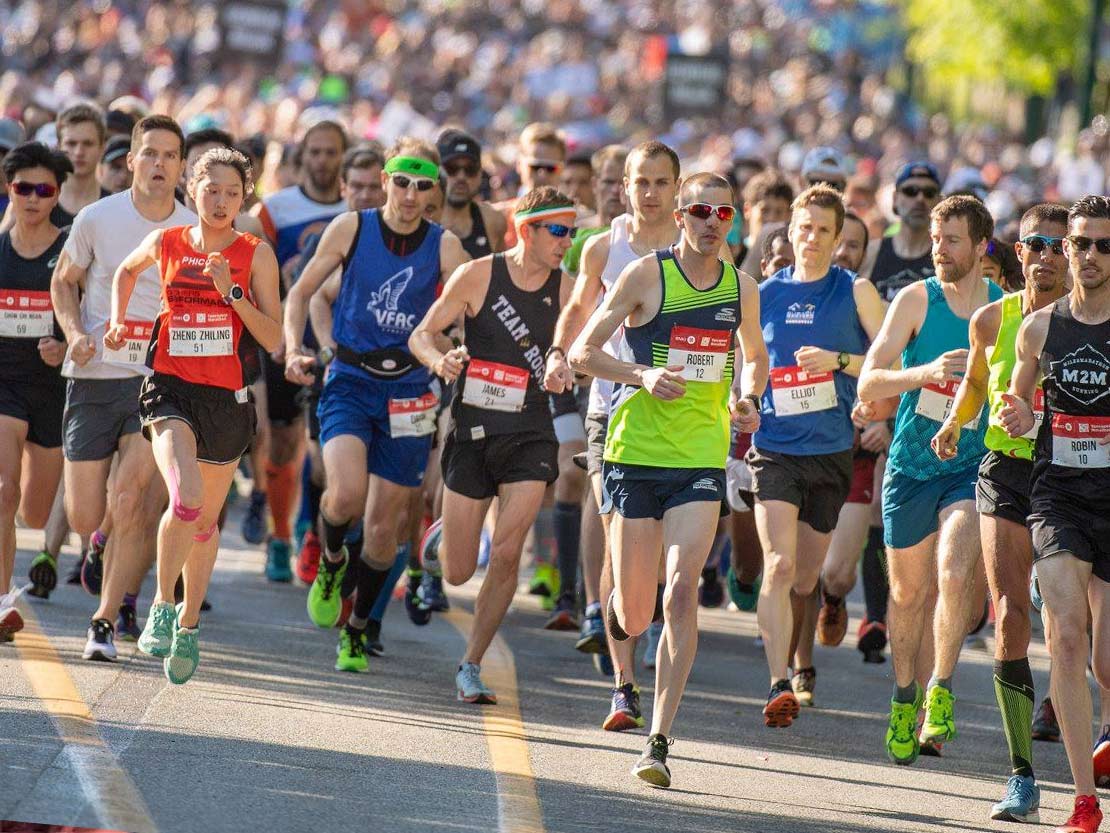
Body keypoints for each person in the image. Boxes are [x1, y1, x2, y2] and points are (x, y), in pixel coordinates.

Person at [569, 172, 768, 787]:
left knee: (682, 590)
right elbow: (582, 352)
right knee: (632, 611)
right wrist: (640, 376)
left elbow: (754, 352)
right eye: (702, 211)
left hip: (699, 458)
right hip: (636, 452)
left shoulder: (741, 288)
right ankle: (622, 638)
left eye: (725, 214)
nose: (713, 222)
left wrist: (747, 392)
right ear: (681, 215)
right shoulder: (646, 276)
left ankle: (658, 739)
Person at [284, 138, 467, 673]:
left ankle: (358, 629)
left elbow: (469, 310)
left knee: (386, 529)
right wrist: (296, 348)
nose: (411, 194)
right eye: (402, 181)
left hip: (411, 388)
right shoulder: (352, 228)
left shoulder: (445, 246)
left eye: (423, 184)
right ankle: (331, 560)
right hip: (350, 377)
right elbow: (301, 293)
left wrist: (458, 346)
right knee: (343, 494)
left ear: (434, 191)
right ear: (386, 179)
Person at [109, 146, 280, 683]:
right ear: (192, 189)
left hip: (226, 400)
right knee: (185, 499)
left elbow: (273, 338)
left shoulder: (256, 253)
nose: (221, 201)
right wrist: (117, 321)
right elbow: (125, 271)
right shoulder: (168, 241)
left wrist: (232, 290)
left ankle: (188, 625)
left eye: (232, 192)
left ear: (244, 196)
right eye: (211, 190)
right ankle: (161, 605)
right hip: (170, 388)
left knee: (204, 522)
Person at [930, 203, 1070, 822]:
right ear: (1017, 251)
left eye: (1057, 244)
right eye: (1034, 243)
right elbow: (981, 384)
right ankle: (1021, 776)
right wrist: (957, 423)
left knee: (1080, 630)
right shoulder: (991, 320)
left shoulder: (1098, 322)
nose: (1045, 254)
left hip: (1078, 476)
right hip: (1006, 469)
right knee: (1008, 614)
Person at [410, 186, 576, 701]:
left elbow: (585, 346)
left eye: (571, 231)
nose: (566, 242)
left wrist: (564, 361)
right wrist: (442, 361)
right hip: (474, 428)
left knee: (505, 553)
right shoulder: (479, 274)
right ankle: (444, 529)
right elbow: (422, 333)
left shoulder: (567, 288)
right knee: (459, 570)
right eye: (558, 230)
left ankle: (471, 662)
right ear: (526, 229)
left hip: (531, 432)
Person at [858, 195, 1003, 765]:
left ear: (980, 246)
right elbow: (870, 382)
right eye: (936, 240)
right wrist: (924, 372)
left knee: (953, 568)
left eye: (953, 241)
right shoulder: (914, 300)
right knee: (907, 593)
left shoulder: (1000, 310)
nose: (939, 250)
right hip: (911, 466)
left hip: (970, 463)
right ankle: (903, 698)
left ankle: (941, 687)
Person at [544, 140, 681, 729]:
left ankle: (641, 617)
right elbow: (577, 308)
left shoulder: (693, 246)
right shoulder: (603, 245)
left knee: (658, 553)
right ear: (622, 187)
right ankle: (624, 684)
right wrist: (558, 352)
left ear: (677, 188)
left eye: (659, 181)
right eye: (639, 181)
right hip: (611, 406)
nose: (648, 191)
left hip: (679, 413)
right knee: (618, 530)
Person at [51, 115, 196, 662]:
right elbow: (63, 281)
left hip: (157, 383)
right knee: (89, 512)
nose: (159, 165)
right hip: (94, 376)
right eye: (150, 154)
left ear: (182, 167)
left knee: (133, 499)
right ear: (131, 160)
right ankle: (97, 538)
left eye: (170, 156)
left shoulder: (192, 229)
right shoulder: (96, 218)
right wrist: (74, 334)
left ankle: (104, 621)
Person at [747, 188, 886, 723]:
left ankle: (800, 647)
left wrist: (839, 360)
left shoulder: (856, 291)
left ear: (837, 239)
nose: (810, 239)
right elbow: (752, 360)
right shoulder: (764, 293)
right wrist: (745, 399)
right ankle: (778, 681)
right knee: (778, 567)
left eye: (822, 231)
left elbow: (886, 361)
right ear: (790, 230)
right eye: (802, 228)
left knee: (807, 579)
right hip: (775, 447)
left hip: (831, 453)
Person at [999, 195, 1110, 833]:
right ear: (1063, 249)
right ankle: (1084, 798)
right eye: (1079, 243)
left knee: (1106, 660)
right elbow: (1016, 398)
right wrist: (1017, 411)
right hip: (1058, 494)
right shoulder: (1039, 329)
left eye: (1102, 245)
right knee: (1066, 635)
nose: (1088, 256)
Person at [249, 119, 349, 580]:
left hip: (342, 345)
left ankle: (311, 531)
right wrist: (273, 334)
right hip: (290, 342)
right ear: (302, 156)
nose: (323, 161)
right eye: (315, 152)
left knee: (326, 447)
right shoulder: (277, 208)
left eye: (332, 152)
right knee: (285, 442)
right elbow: (259, 269)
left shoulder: (356, 209)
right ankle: (279, 534)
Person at [292, 144, 388, 585]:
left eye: (375, 187)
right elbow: (308, 293)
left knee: (363, 481)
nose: (367, 196)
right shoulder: (326, 237)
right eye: (359, 187)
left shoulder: (394, 239)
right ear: (344, 188)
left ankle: (344, 548)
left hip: (381, 375)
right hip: (326, 365)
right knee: (318, 464)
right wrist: (317, 347)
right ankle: (313, 533)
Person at [0, 142, 72, 637]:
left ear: (56, 195)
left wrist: (65, 347)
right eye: (23, 187)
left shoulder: (69, 251)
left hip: (52, 392)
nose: (32, 198)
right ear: (10, 190)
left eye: (43, 189)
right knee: (4, 493)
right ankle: (3, 600)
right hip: (4, 384)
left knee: (34, 510)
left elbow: (85, 318)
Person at [862, 161, 942, 301]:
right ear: (895, 198)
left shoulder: (947, 258)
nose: (920, 199)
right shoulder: (871, 253)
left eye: (929, 193)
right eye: (910, 191)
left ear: (940, 201)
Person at [494, 122, 566, 249]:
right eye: (535, 166)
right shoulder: (497, 218)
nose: (542, 174)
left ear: (561, 169)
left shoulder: (577, 221)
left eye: (550, 168)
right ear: (519, 164)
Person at [437, 129, 506, 259]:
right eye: (452, 168)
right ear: (438, 172)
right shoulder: (421, 220)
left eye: (470, 169)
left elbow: (500, 276)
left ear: (480, 174)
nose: (461, 177)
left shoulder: (493, 221)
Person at [52, 103, 111, 226]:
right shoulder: (40, 202)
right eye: (71, 143)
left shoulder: (114, 206)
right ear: (58, 147)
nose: (79, 152)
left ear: (102, 148)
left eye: (88, 143)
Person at [736, 169, 794, 278]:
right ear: (747, 210)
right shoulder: (734, 252)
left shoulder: (791, 259)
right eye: (765, 210)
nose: (771, 218)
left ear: (789, 215)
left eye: (779, 211)